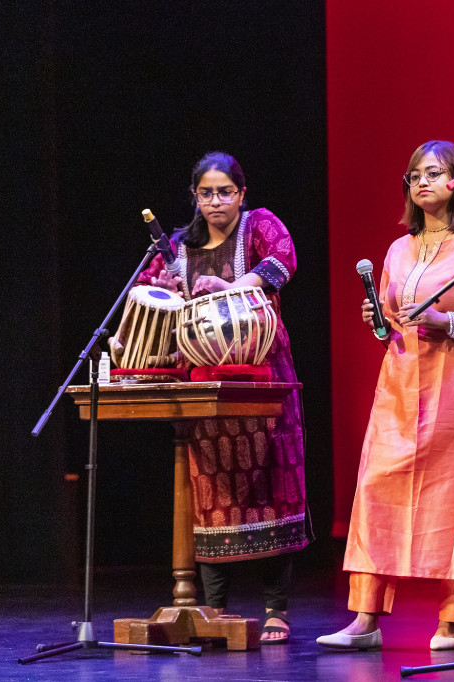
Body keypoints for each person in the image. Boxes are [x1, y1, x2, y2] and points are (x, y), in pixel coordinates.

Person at [317, 140, 454, 652]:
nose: (422, 182)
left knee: (453, 501)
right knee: (376, 495)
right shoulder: (397, 249)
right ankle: (365, 618)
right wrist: (378, 324)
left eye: (434, 173)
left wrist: (445, 321)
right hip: (400, 387)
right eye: (413, 176)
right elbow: (393, 321)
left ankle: (451, 621)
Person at [136, 151, 307, 644]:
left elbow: (281, 264)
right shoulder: (175, 245)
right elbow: (149, 295)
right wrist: (166, 286)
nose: (216, 201)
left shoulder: (259, 226)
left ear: (241, 193)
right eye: (206, 193)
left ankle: (276, 608)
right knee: (210, 489)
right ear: (195, 197)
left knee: (271, 485)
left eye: (225, 191)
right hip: (200, 379)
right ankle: (215, 610)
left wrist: (231, 286)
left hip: (262, 374)